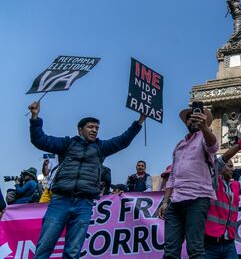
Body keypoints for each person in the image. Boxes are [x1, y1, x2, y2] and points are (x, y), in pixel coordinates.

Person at [28, 101, 146, 259]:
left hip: (84, 204)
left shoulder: (101, 148)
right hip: (60, 201)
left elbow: (123, 140)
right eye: (90, 127)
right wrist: (35, 117)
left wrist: (140, 121)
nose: (94, 130)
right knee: (44, 246)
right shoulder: (67, 144)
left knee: (73, 251)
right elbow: (40, 140)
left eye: (97, 128)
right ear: (80, 129)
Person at [159, 106, 218, 259]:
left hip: (197, 199)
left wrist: (205, 128)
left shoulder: (206, 138)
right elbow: (172, 175)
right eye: (190, 117)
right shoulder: (179, 145)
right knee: (170, 250)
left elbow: (213, 146)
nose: (193, 118)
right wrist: (165, 202)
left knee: (195, 249)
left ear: (205, 120)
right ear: (186, 122)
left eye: (197, 115)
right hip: (175, 201)